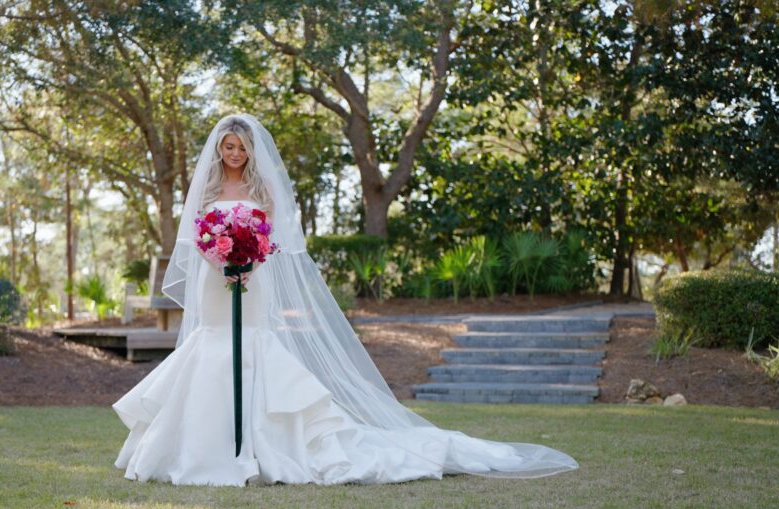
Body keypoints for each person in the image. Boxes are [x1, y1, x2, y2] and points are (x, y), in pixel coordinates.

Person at [112, 114, 578, 486]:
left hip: (254, 280)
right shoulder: (208, 191)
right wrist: (221, 264)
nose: (234, 153)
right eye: (228, 147)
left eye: (241, 148)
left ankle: (268, 445)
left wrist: (248, 265)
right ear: (219, 150)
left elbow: (273, 236)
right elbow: (197, 237)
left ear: (251, 152)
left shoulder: (262, 189)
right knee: (211, 342)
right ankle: (195, 449)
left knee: (252, 343)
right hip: (216, 283)